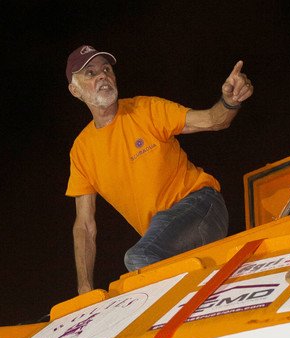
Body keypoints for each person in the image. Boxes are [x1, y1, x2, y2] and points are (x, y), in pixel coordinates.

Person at [65, 45, 253, 294]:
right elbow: (85, 225)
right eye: (90, 73)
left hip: (201, 207)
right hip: (166, 239)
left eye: (106, 69)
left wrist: (229, 101)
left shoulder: (144, 110)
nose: (102, 76)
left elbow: (212, 119)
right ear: (75, 90)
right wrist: (85, 288)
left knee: (139, 257)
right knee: (145, 269)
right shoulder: (82, 150)